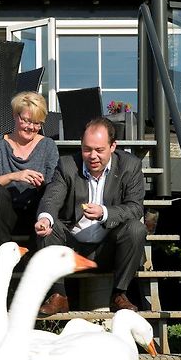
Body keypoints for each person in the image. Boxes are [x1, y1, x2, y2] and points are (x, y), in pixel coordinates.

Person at [35, 117, 146, 315]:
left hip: (110, 247)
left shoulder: (130, 165)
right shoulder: (67, 165)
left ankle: (119, 294)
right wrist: (45, 218)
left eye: (99, 150)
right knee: (48, 229)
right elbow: (52, 197)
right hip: (72, 247)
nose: (92, 155)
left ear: (113, 146)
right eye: (87, 149)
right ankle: (59, 296)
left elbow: (135, 208)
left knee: (136, 229)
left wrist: (105, 213)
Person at [0, 91, 59, 248]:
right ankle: (2, 250)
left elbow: (56, 185)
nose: (31, 127)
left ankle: (35, 251)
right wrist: (14, 176)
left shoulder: (48, 146)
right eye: (27, 121)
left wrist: (42, 184)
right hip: (3, 215)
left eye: (37, 123)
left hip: (36, 212)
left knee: (52, 191)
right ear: (15, 116)